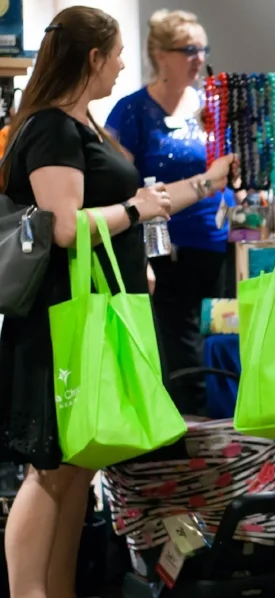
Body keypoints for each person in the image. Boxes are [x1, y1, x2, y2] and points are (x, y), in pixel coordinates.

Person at [0, 7, 232, 597]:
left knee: (75, 465)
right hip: (63, 320)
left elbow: (145, 201)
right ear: (93, 58)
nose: (124, 64)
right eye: (117, 53)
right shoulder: (52, 128)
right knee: (51, 471)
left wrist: (207, 183)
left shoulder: (85, 127)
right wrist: (134, 211)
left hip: (96, 315)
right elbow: (65, 227)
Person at [106, 9, 235, 415]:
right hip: (160, 251)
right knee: (177, 354)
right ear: (161, 54)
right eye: (189, 49)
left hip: (215, 246)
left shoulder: (211, 108)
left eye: (203, 49)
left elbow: (227, 166)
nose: (199, 58)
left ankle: (220, 443)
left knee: (215, 343)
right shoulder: (132, 112)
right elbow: (117, 186)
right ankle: (182, 451)